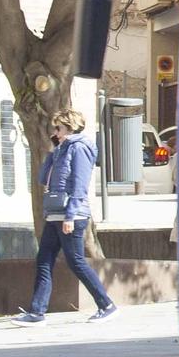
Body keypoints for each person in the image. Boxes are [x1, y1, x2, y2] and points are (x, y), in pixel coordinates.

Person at [15, 110, 119, 323]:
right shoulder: (61, 150)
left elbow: (80, 185)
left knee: (76, 262)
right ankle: (36, 311)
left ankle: (106, 304)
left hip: (71, 215)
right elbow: (43, 179)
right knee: (44, 259)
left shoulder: (80, 148)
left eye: (59, 128)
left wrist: (70, 216)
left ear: (70, 127)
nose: (56, 132)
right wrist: (53, 152)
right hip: (54, 214)